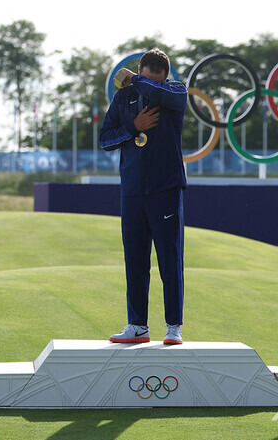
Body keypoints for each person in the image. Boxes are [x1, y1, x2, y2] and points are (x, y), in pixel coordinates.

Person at [99, 48, 188, 344]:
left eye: (153, 80)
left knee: (169, 259)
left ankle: (173, 326)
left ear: (164, 76)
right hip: (133, 190)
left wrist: (137, 80)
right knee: (135, 261)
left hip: (165, 188)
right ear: (140, 70)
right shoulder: (123, 98)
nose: (147, 86)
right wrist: (132, 127)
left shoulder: (175, 91)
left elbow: (160, 94)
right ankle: (137, 326)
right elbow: (104, 139)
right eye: (143, 77)